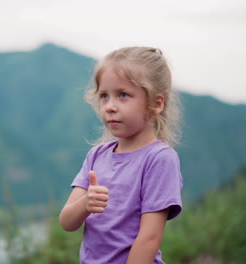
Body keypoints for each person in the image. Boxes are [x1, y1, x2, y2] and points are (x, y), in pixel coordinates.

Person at [59, 47, 183, 264]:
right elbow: (67, 222)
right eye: (104, 96)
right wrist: (85, 204)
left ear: (156, 103)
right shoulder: (96, 156)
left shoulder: (159, 159)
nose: (109, 106)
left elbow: (150, 238)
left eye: (123, 95)